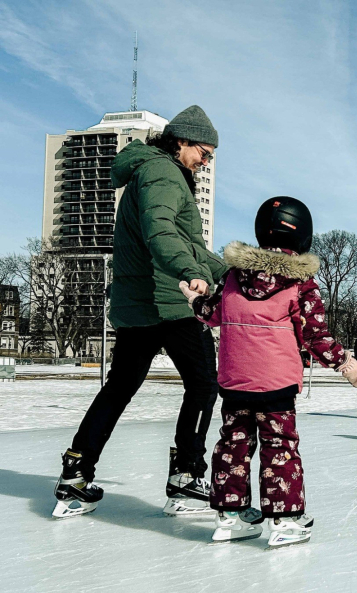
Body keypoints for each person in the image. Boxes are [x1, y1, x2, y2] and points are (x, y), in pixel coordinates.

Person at [54, 105, 227, 519]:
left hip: (137, 306)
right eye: (203, 153)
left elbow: (193, 246)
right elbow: (160, 232)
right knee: (204, 385)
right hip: (169, 301)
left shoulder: (151, 171)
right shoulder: (164, 173)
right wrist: (189, 272)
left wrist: (234, 272)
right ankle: (186, 475)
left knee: (119, 388)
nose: (205, 162)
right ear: (181, 141)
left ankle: (76, 473)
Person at [181, 196, 357, 547]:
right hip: (276, 384)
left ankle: (230, 517)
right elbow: (315, 334)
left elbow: (212, 313)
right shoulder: (300, 282)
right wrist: (344, 362)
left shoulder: (233, 277)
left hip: (235, 381)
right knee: (279, 446)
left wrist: (194, 300)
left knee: (233, 445)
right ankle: (285, 520)